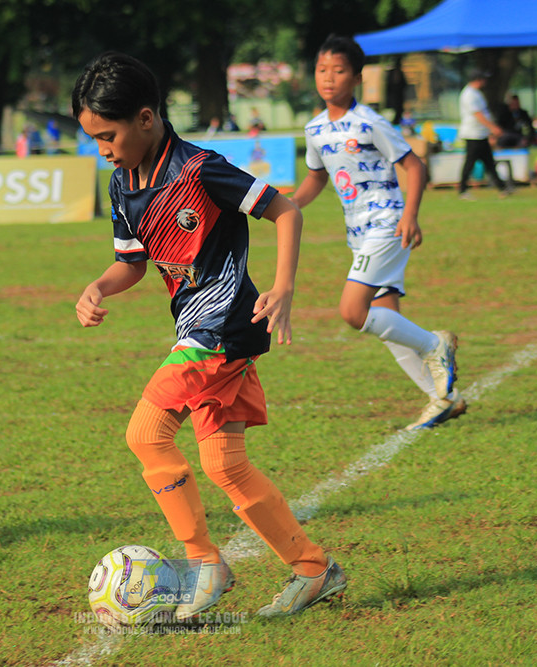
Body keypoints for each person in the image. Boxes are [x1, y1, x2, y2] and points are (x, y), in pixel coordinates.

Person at [71, 51, 347, 619]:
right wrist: (98, 286)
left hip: (218, 329)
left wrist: (284, 285)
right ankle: (314, 570)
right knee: (225, 466)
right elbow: (133, 262)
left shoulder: (201, 170)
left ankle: (203, 562)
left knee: (146, 435)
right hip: (205, 330)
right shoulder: (124, 184)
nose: (102, 148)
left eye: (107, 134)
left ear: (145, 119)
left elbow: (287, 210)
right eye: (93, 138)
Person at [291, 34, 463, 433]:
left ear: (356, 77)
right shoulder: (314, 129)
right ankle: (445, 400)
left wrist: (411, 216)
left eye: (338, 71)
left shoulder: (370, 122)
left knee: (353, 311)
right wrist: (287, 206)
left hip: (386, 225)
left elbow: (415, 165)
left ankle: (436, 345)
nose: (328, 78)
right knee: (385, 320)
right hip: (358, 232)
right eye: (322, 70)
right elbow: (316, 179)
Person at [457, 68, 511, 200]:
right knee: (470, 163)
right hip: (473, 134)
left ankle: (502, 187)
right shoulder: (469, 94)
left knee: (489, 162)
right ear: (478, 80)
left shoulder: (476, 93)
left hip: (480, 133)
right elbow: (478, 115)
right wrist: (493, 128)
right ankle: (463, 190)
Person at [385, 56, 408, 125]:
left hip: (399, 98)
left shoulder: (400, 73)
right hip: (391, 98)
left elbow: (404, 84)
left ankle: (397, 121)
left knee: (398, 111)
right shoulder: (391, 73)